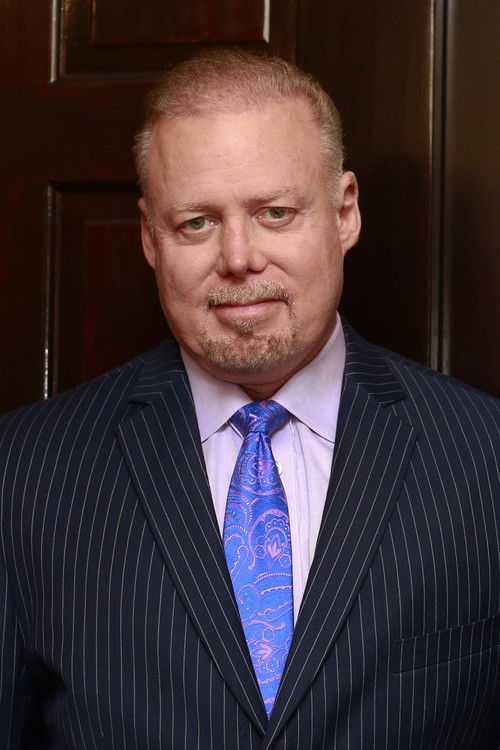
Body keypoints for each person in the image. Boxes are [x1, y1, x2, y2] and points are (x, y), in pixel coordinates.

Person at [0, 48, 499, 750]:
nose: (238, 258)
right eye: (196, 223)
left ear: (345, 212)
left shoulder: (484, 456)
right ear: (150, 237)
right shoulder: (22, 471)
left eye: (275, 212)